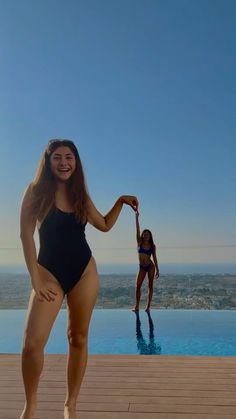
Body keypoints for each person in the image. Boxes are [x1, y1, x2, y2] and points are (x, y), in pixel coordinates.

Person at [19, 139, 138, 419]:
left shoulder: (79, 195)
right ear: (48, 162)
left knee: (78, 338)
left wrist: (120, 201)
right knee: (32, 343)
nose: (64, 162)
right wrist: (35, 278)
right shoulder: (35, 191)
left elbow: (105, 225)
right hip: (48, 272)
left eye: (69, 157)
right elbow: (25, 235)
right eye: (57, 157)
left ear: (76, 162)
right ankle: (31, 404)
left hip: (84, 271)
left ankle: (70, 404)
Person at [132, 211, 159, 312]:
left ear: (150, 236)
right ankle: (137, 306)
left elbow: (155, 258)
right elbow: (137, 229)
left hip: (150, 266)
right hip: (141, 267)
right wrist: (136, 217)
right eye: (145, 234)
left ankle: (148, 307)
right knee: (137, 286)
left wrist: (157, 269)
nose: (146, 235)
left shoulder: (152, 246)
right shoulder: (139, 242)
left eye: (148, 234)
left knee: (150, 285)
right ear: (143, 235)